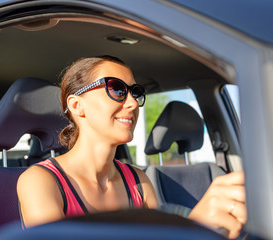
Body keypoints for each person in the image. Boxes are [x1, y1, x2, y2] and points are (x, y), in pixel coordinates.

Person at [17, 55, 246, 239]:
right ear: (77, 105)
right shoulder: (39, 181)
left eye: (135, 92)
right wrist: (192, 228)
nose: (133, 103)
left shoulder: (138, 182)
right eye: (116, 89)